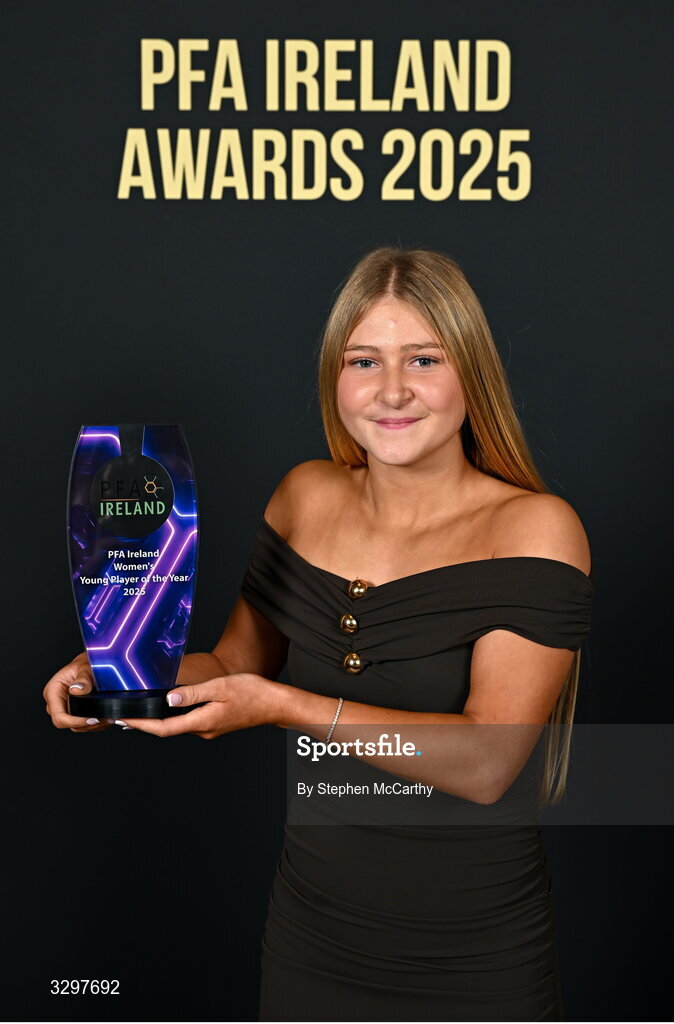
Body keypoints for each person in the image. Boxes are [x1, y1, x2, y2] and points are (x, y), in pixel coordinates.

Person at [44, 246, 593, 1021]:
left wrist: (284, 706)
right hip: (312, 945)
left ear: (472, 372)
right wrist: (114, 669)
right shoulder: (304, 495)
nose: (392, 390)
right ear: (336, 377)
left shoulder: (536, 529)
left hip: (476, 961)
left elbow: (486, 761)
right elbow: (235, 664)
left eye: (424, 359)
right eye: (364, 360)